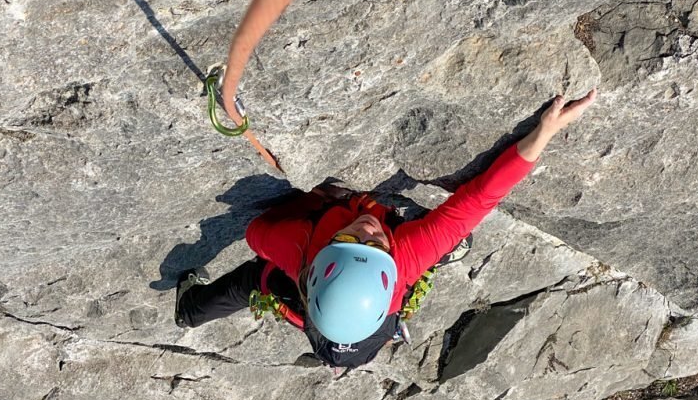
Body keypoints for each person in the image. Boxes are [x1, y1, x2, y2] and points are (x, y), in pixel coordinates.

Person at [175, 90, 597, 367]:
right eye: (374, 243)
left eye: (352, 238)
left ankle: (189, 311)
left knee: (259, 277)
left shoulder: (300, 248)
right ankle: (444, 252)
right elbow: (479, 199)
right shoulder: (407, 257)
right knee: (448, 235)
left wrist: (317, 202)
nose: (367, 229)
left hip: (320, 312)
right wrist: (543, 133)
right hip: (367, 321)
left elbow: (256, 234)